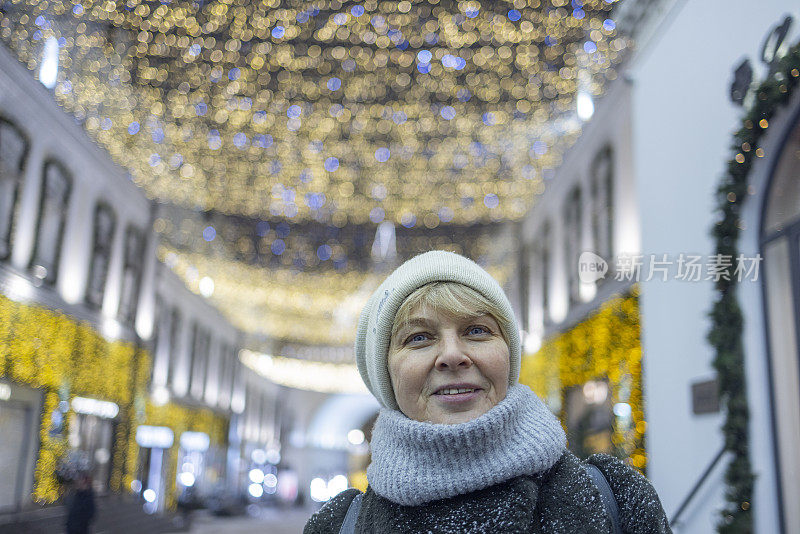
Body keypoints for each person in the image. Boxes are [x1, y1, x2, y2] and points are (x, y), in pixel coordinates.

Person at [304, 250, 671, 533]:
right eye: (419, 337)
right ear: (386, 373)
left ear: (508, 355)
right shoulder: (338, 525)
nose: (451, 355)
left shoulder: (616, 499)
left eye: (477, 330)